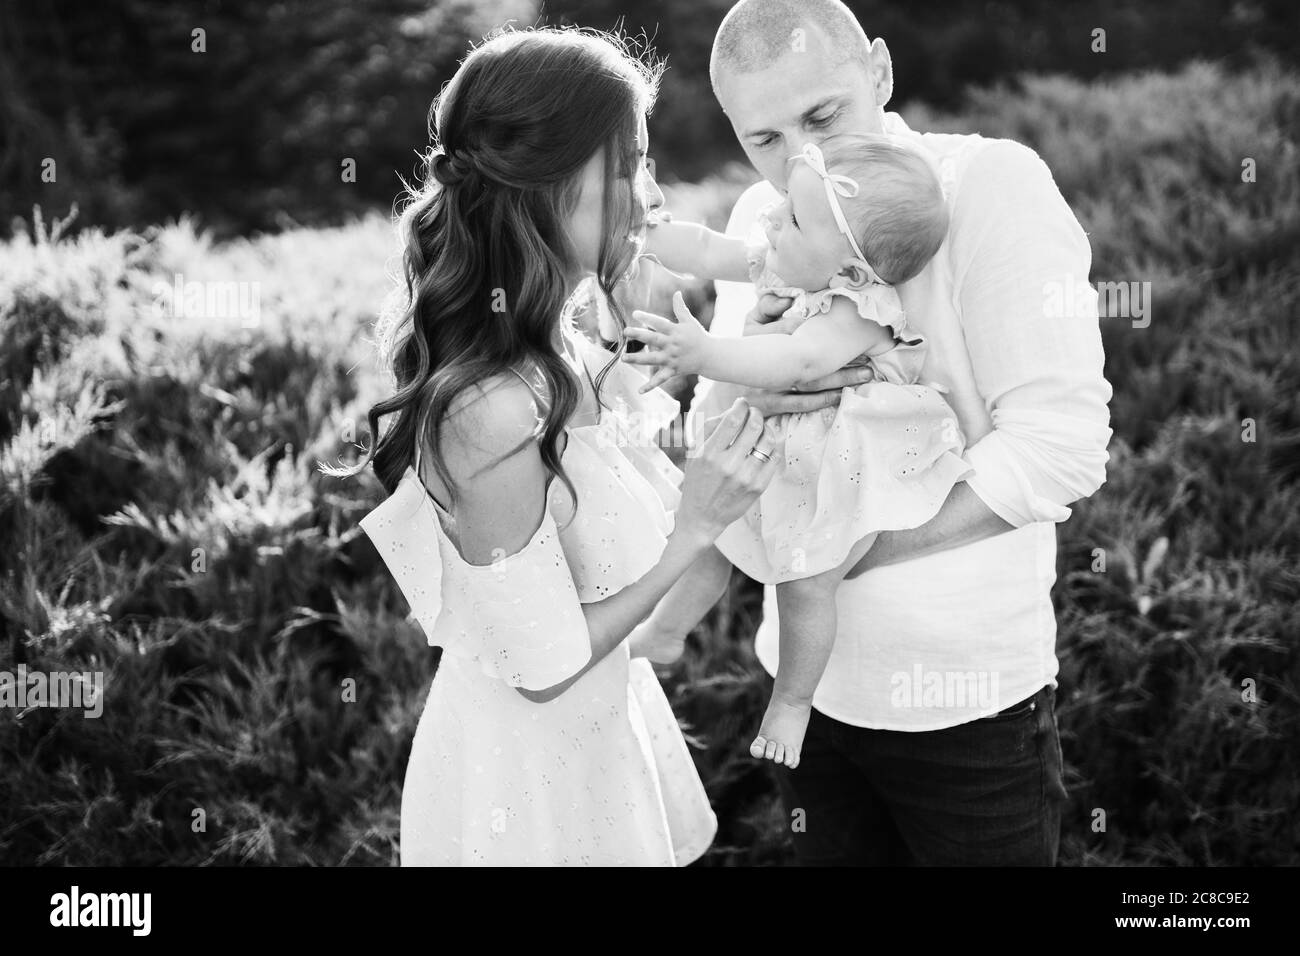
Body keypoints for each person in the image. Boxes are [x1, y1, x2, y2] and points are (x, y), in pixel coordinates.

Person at [680, 0, 1113, 865]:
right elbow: (713, 437)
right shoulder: (760, 226)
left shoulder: (991, 187)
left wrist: (838, 552)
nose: (799, 160)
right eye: (763, 140)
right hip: (809, 698)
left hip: (971, 710)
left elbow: (1061, 448)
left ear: (879, 71)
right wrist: (756, 363)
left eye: (821, 116)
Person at [355, 26, 780, 866]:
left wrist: (754, 367)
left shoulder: (561, 341)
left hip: (601, 727)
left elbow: (615, 496)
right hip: (526, 780)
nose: (651, 195)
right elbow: (539, 664)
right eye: (629, 165)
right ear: (546, 185)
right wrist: (695, 529)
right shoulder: (488, 407)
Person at [624, 133, 971, 769]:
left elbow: (799, 358)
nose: (770, 220)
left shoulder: (860, 308)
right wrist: (642, 233)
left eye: (793, 219)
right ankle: (667, 634)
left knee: (807, 583)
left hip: (832, 469)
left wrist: (705, 352)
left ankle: (792, 701)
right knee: (711, 541)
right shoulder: (787, 259)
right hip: (776, 449)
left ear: (851, 268)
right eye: (784, 206)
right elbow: (707, 249)